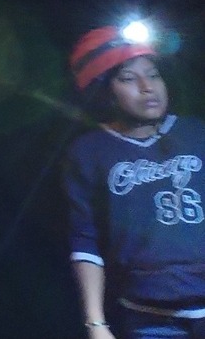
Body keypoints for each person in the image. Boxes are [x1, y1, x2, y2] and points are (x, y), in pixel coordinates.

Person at [64, 24, 205, 339]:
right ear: (104, 92)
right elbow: (85, 239)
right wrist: (96, 323)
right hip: (149, 318)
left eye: (153, 75)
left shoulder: (196, 133)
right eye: (128, 78)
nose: (147, 87)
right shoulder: (89, 152)